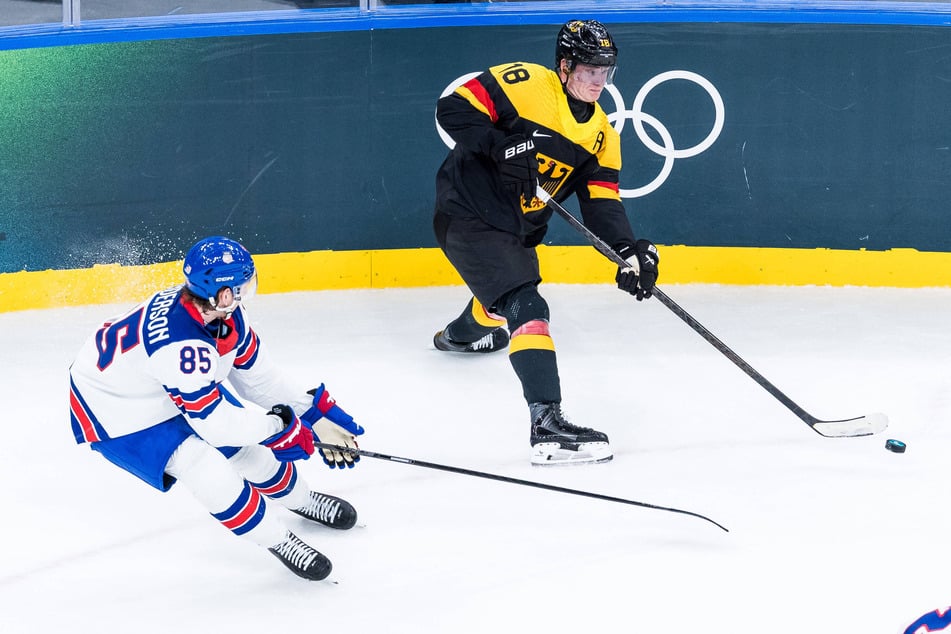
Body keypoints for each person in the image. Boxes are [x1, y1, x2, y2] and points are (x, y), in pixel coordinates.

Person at [68, 236, 365, 581]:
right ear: (223, 294)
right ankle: (280, 540)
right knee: (206, 468)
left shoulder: (222, 315)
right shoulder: (182, 348)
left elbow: (260, 380)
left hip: (155, 381)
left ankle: (302, 499)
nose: (248, 290)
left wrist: (310, 414)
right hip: (115, 408)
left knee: (245, 450)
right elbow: (217, 427)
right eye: (243, 285)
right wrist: (279, 428)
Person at [432, 19, 660, 466]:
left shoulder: (602, 137)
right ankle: (546, 422)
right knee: (527, 305)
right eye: (589, 69)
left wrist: (628, 250)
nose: (598, 81)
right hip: (468, 210)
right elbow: (452, 108)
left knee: (503, 299)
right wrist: (501, 145)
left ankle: (458, 337)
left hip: (515, 227)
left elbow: (602, 205)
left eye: (605, 71)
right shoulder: (526, 84)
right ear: (564, 66)